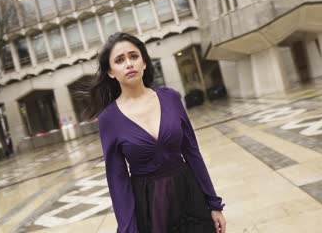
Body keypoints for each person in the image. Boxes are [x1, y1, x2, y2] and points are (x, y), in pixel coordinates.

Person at [82, 32, 226, 233]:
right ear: (111, 72)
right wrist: (128, 228)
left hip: (189, 195)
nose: (129, 64)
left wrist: (214, 204)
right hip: (150, 206)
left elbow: (192, 153)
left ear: (144, 62)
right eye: (120, 60)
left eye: (134, 56)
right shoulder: (109, 119)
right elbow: (117, 178)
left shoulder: (171, 98)